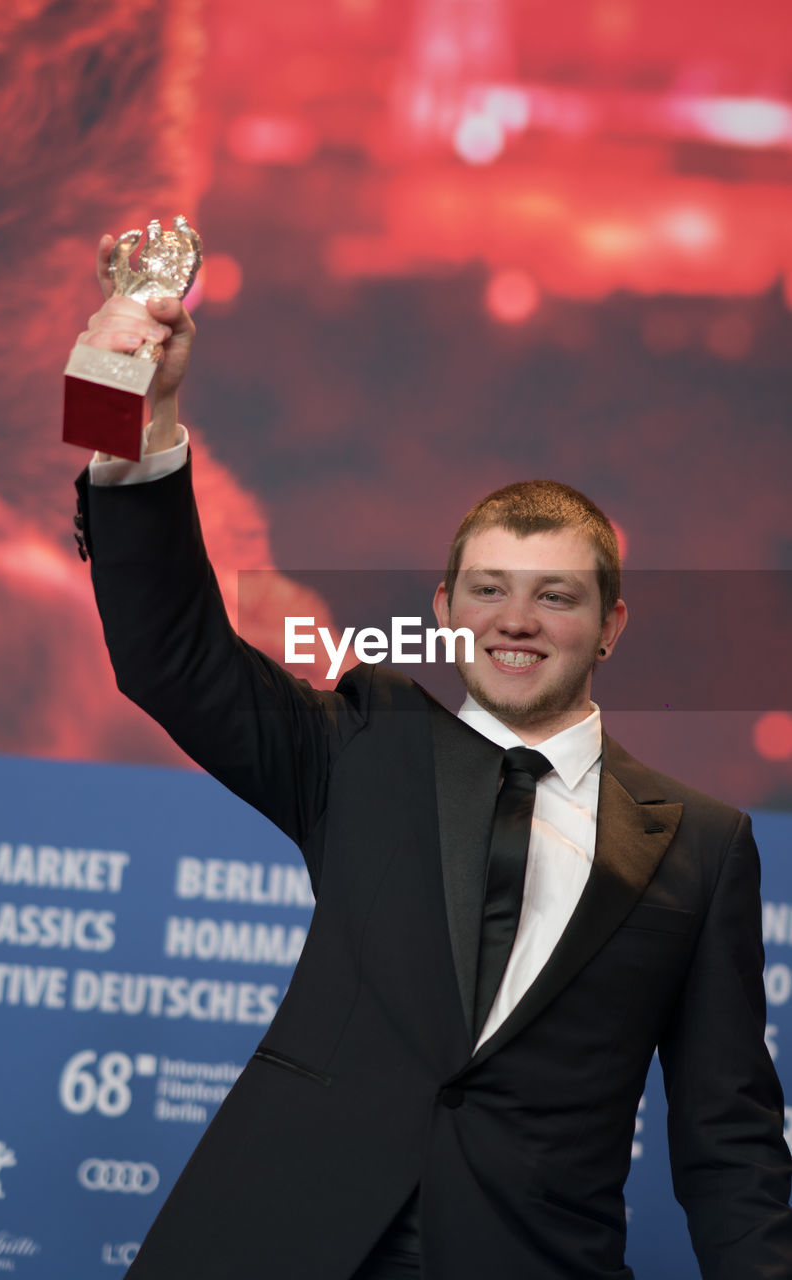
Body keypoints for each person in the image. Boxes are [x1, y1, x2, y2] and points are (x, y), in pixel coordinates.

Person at [74, 237, 792, 1279]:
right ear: (443, 613)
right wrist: (130, 421)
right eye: (489, 588)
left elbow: (728, 1141)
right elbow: (168, 654)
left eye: (556, 594)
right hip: (278, 1243)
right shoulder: (362, 743)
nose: (517, 618)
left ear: (611, 625)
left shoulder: (703, 846)